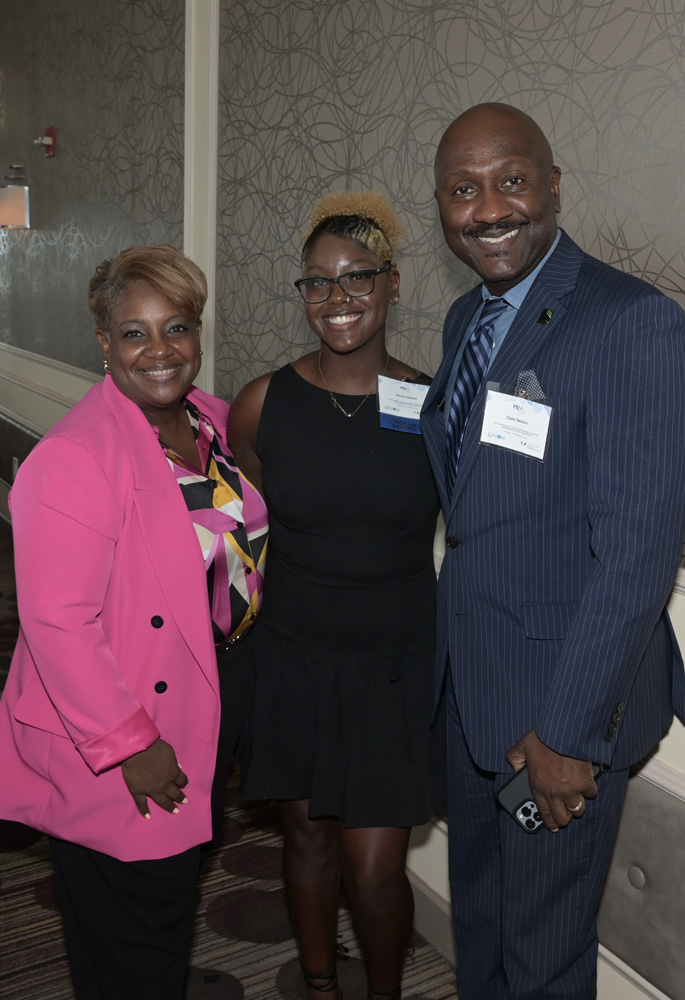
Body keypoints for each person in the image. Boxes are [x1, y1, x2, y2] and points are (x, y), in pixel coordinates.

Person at [419, 101, 685, 999]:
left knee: (542, 958)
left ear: (553, 185)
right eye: (462, 190)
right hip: (473, 689)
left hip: (559, 709)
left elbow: (639, 553)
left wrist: (568, 734)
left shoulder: (630, 322)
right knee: (481, 926)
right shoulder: (467, 318)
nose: (487, 209)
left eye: (511, 181)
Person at [0, 244, 268, 1000]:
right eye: (134, 332)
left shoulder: (212, 422)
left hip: (207, 692)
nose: (160, 350)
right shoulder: (76, 457)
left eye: (176, 327)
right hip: (128, 722)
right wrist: (130, 744)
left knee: (165, 909)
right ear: (103, 343)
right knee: (135, 933)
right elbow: (56, 623)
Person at [228, 191, 442, 1000]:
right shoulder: (262, 402)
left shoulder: (432, 405)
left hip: (393, 667)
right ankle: (318, 986)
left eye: (357, 277)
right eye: (316, 282)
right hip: (295, 659)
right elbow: (239, 530)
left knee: (377, 871)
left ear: (392, 286)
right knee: (308, 843)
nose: (337, 298)